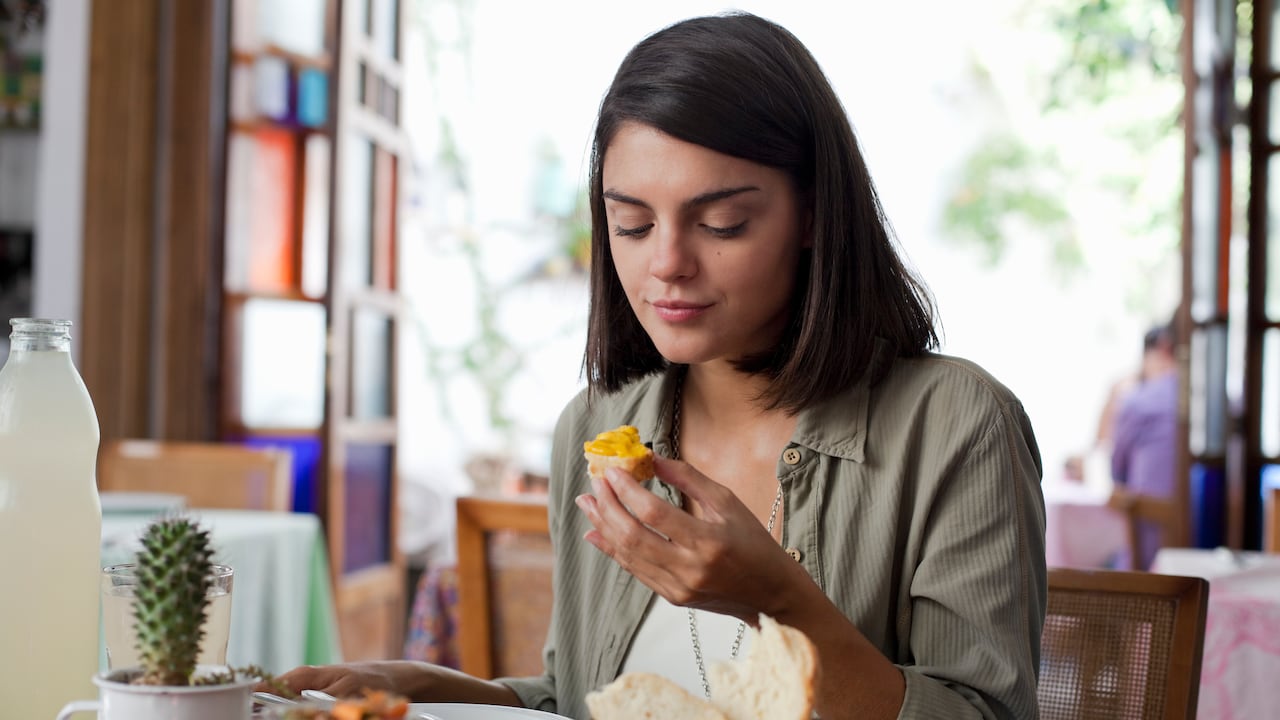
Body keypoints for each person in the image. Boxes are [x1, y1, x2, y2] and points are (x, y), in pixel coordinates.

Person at [270, 12, 1046, 719]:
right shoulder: (601, 425)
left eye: (721, 223)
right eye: (631, 224)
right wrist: (429, 687)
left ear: (813, 213)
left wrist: (776, 602)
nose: (667, 263)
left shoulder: (955, 424)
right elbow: (585, 699)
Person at [1109, 321, 1179, 570]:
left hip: (1149, 551)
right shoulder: (1216, 400)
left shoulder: (1137, 401)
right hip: (1209, 542)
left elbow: (1117, 471)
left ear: (1162, 349)